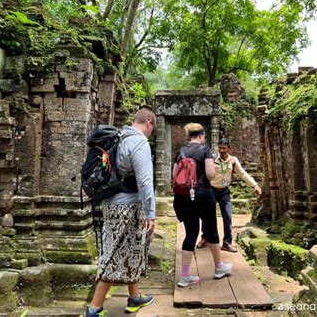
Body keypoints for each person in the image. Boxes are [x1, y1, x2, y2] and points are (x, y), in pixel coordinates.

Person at [85, 108, 157, 317]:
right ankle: (94, 308)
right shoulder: (139, 142)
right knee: (115, 253)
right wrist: (151, 214)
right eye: (152, 128)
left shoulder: (119, 137)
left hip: (112, 203)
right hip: (128, 207)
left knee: (133, 247)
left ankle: (134, 297)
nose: (152, 132)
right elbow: (145, 182)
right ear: (149, 122)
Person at [173, 123, 232, 288]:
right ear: (201, 135)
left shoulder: (181, 151)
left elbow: (174, 175)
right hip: (204, 195)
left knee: (190, 233)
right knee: (211, 230)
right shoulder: (205, 150)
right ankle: (219, 267)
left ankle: (185, 275)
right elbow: (210, 174)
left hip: (184, 197)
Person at [197, 138, 262, 252]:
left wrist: (255, 185)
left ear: (229, 149)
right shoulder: (211, 158)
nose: (222, 150)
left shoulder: (233, 160)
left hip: (224, 192)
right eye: (220, 148)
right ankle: (205, 238)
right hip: (211, 190)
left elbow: (242, 174)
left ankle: (227, 243)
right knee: (207, 216)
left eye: (224, 148)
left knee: (227, 216)